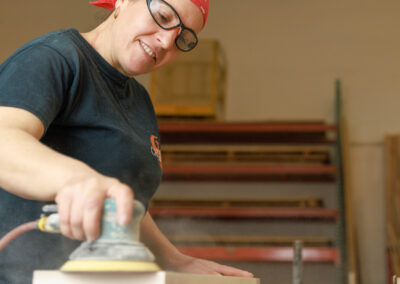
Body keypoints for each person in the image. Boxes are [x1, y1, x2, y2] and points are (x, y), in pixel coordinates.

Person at [0, 0, 254, 283]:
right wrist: (77, 180)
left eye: (182, 38)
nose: (167, 40)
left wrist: (173, 259)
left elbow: (122, 204)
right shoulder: (54, 59)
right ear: (123, 1)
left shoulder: (140, 101)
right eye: (162, 16)